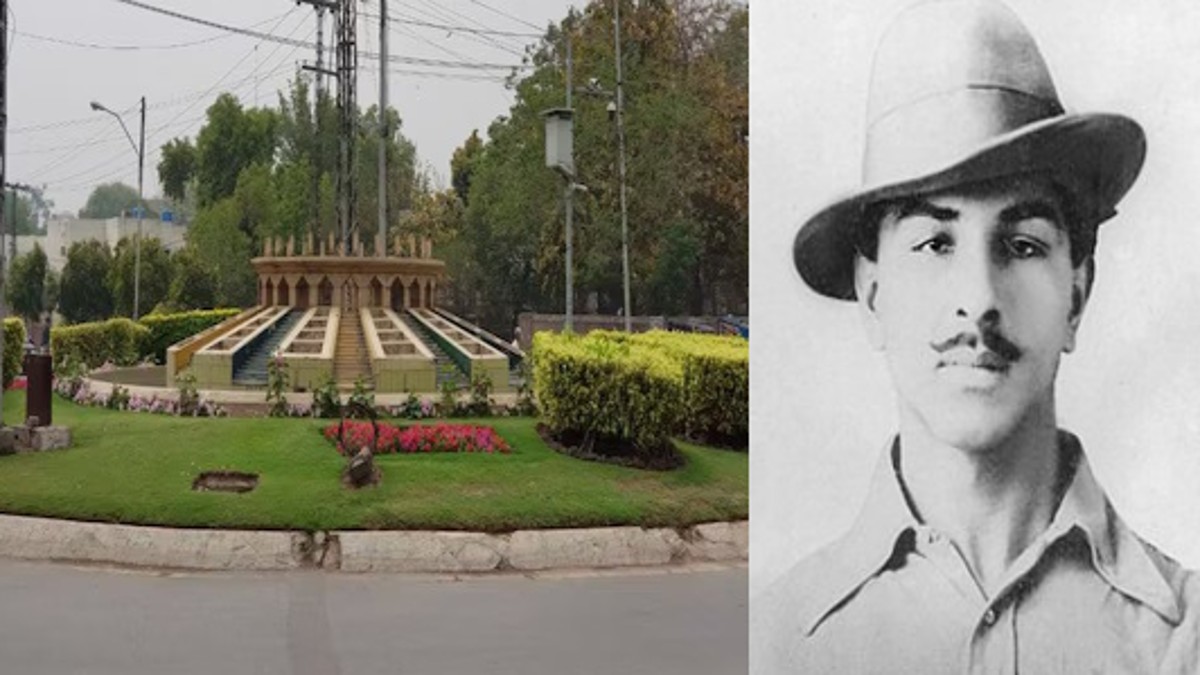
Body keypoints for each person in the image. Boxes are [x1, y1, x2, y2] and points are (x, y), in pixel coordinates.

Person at [752, 0, 1200, 672]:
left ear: (1077, 294)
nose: (979, 301)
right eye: (934, 243)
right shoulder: (781, 641)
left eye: (1021, 244)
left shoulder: (1182, 637)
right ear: (874, 296)